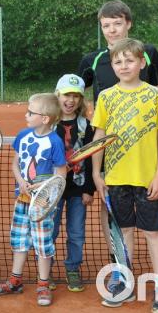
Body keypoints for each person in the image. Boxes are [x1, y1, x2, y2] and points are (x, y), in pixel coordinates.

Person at [76, 0, 158, 304]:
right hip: (109, 149)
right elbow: (74, 96)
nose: (111, 30)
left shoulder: (146, 52)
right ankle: (122, 275)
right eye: (106, 25)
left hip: (146, 153)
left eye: (117, 24)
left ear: (128, 24)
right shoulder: (92, 60)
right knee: (115, 218)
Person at [90, 38, 158, 312]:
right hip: (115, 179)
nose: (124, 65)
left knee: (153, 233)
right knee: (123, 232)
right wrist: (96, 174)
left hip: (147, 179)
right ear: (112, 66)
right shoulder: (106, 97)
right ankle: (124, 283)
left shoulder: (155, 96)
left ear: (141, 63)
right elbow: (99, 136)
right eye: (118, 61)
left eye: (129, 60)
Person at [0, 93, 67, 307]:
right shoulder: (23, 135)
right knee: (19, 241)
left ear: (45, 118)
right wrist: (21, 181)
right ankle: (15, 280)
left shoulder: (55, 142)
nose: (26, 114)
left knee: (43, 244)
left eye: (31, 112)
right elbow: (15, 164)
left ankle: (43, 284)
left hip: (43, 204)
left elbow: (61, 175)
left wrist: (46, 192)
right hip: (22, 200)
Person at [51, 74, 96, 293]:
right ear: (57, 95)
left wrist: (89, 189)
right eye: (67, 95)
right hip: (53, 188)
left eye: (76, 96)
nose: (71, 100)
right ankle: (45, 270)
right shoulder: (48, 124)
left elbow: (90, 157)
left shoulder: (85, 125)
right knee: (50, 231)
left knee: (76, 232)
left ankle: (73, 268)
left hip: (78, 188)